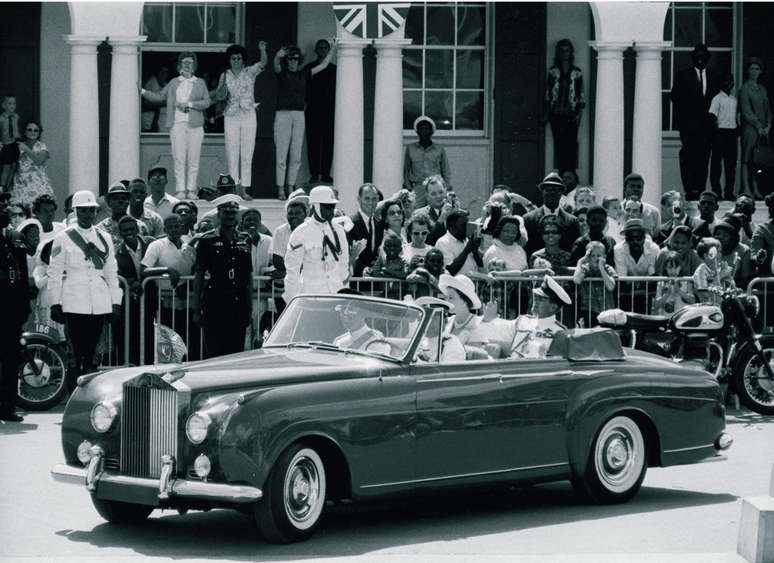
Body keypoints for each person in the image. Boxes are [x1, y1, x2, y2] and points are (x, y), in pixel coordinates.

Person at [48, 190, 122, 392]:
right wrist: (55, 302)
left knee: (93, 354)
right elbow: (54, 273)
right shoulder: (63, 238)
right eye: (83, 210)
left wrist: (116, 302)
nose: (88, 215)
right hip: (73, 301)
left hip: (98, 302)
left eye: (91, 210)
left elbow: (111, 272)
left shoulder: (104, 237)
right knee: (74, 354)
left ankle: (90, 394)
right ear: (75, 212)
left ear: (96, 212)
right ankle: (73, 394)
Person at [141, 52, 212, 199]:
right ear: (180, 65)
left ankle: (191, 190)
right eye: (184, 62)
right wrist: (143, 91)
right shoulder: (174, 82)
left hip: (195, 124)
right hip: (177, 124)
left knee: (193, 158)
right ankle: (180, 190)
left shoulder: (199, 83)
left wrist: (190, 104)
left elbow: (207, 102)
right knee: (179, 157)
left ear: (194, 65)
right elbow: (160, 96)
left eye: (190, 63)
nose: (187, 65)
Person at [273, 42, 336, 200]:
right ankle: (280, 189)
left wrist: (333, 48)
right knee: (282, 154)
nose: (293, 61)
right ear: (286, 61)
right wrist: (277, 56)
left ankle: (291, 187)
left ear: (299, 60)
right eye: (290, 59)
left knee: (296, 155)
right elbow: (275, 65)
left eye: (296, 59)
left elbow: (324, 65)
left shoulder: (305, 74)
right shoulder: (282, 73)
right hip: (283, 114)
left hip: (299, 114)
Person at [192, 200, 253, 358]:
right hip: (215, 304)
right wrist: (196, 309)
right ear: (218, 214)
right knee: (213, 353)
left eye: (233, 213)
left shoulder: (244, 239)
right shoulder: (207, 240)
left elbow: (248, 277)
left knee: (235, 355)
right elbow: (199, 275)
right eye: (226, 213)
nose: (230, 216)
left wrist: (249, 308)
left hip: (238, 304)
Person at [214, 41, 268, 196]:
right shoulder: (224, 75)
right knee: (232, 151)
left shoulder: (250, 72)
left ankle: (244, 189)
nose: (236, 61)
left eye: (238, 58)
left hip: (248, 113)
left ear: (243, 59)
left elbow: (263, 64)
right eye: (233, 58)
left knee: (247, 152)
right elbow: (219, 95)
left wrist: (262, 50)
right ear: (229, 60)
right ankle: (233, 188)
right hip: (231, 115)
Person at [670, 43, 719, 201]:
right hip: (689, 126)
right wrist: (684, 117)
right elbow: (674, 97)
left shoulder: (714, 76)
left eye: (703, 57)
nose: (700, 60)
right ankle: (689, 189)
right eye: (697, 56)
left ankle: (700, 189)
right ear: (693, 58)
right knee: (688, 156)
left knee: (704, 157)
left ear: (707, 59)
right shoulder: (683, 75)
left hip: (707, 126)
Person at [284, 185, 349, 301]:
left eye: (333, 206)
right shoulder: (300, 233)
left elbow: (344, 265)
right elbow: (292, 272)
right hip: (312, 298)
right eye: (327, 207)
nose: (331, 211)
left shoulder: (339, 230)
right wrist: (291, 301)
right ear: (315, 206)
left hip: (336, 296)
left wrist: (345, 294)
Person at [0, 192, 31, 421]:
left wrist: (23, 306)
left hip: (9, 310)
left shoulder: (14, 237)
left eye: (4, 205)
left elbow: (22, 275)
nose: (3, 209)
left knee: (10, 358)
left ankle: (7, 406)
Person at [114, 216, 153, 365]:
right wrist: (130, 282)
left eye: (132, 229)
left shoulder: (150, 244)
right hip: (131, 304)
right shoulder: (118, 253)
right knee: (132, 338)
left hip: (151, 300)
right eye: (125, 230)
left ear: (137, 229)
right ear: (120, 233)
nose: (129, 232)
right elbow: (118, 275)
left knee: (150, 338)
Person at [544, 39, 585, 173]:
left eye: (567, 50)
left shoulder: (577, 72)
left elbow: (581, 96)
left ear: (571, 52)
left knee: (571, 145)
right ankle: (561, 174)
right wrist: (548, 112)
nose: (564, 54)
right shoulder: (553, 71)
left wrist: (578, 116)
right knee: (559, 145)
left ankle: (570, 174)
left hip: (571, 114)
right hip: (556, 113)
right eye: (562, 51)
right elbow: (548, 94)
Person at [510, 275, 572, 359]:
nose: (535, 301)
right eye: (536, 296)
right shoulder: (522, 320)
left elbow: (555, 362)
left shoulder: (560, 331)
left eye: (541, 299)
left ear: (553, 307)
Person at [269, 189, 309, 314]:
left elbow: (312, 260)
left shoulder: (312, 229)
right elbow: (277, 260)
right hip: (285, 289)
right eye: (290, 213)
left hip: (307, 288)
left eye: (298, 213)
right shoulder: (280, 231)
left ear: (305, 214)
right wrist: (299, 270)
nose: (294, 216)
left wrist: (286, 272)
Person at [523, 172, 581, 255]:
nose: (552, 193)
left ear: (562, 193)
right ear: (542, 192)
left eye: (556, 190)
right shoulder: (529, 219)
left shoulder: (572, 221)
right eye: (548, 190)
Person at [738, 57, 772, 198]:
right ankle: (746, 188)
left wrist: (768, 125)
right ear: (747, 70)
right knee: (747, 158)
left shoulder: (762, 89)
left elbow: (768, 110)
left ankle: (756, 188)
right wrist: (758, 125)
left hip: (763, 130)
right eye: (751, 68)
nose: (754, 71)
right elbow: (746, 111)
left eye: (757, 69)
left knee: (757, 160)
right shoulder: (745, 89)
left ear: (761, 71)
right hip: (750, 129)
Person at [240, 207, 274, 349]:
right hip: (241, 294)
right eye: (248, 220)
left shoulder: (269, 241)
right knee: (245, 330)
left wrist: (270, 272)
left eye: (255, 219)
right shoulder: (237, 240)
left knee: (259, 331)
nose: (252, 222)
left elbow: (274, 262)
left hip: (261, 294)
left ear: (260, 223)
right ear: (242, 223)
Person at [304, 39, 337, 184]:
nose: (323, 50)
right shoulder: (309, 68)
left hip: (330, 110)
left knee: (329, 143)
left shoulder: (334, 69)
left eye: (326, 48)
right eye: (320, 47)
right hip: (313, 109)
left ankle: (325, 173)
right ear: (316, 50)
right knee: (313, 143)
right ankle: (314, 173)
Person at [403, 116, 451, 208]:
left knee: (435, 212)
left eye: (427, 128)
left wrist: (445, 188)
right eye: (421, 128)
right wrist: (409, 188)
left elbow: (445, 170)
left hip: (434, 186)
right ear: (417, 131)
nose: (424, 131)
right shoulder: (410, 148)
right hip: (418, 188)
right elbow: (406, 170)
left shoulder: (439, 149)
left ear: (432, 131)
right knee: (417, 213)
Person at [10, 120, 55, 208]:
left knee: (37, 209)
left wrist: (26, 149)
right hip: (21, 183)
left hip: (37, 183)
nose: (32, 132)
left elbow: (39, 161)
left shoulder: (42, 146)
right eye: (30, 130)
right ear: (25, 132)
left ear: (39, 133)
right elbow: (12, 165)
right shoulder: (19, 146)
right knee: (21, 210)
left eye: (36, 130)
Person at [708, 73, 739, 201]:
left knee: (731, 165)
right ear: (721, 83)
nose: (729, 83)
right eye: (726, 80)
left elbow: (735, 117)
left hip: (731, 133)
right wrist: (715, 134)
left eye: (731, 81)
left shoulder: (734, 99)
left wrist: (737, 129)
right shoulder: (717, 99)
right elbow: (712, 116)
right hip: (720, 133)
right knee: (716, 164)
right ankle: (716, 191)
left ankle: (729, 192)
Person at [573, 240, 617, 327]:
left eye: (599, 256)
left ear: (604, 256)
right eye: (592, 256)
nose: (596, 258)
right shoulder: (585, 268)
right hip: (589, 311)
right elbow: (577, 280)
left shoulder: (608, 268)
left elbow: (611, 286)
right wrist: (580, 262)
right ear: (588, 257)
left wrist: (601, 268)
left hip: (607, 310)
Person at [436, 209, 482, 276]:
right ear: (451, 227)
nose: (466, 227)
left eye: (467, 224)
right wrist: (466, 251)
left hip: (473, 283)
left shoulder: (466, 240)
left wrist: (475, 252)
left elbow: (480, 266)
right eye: (463, 225)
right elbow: (450, 271)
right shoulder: (443, 242)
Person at [713, 214, 753, 289]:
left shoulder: (744, 251)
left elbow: (745, 280)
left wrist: (728, 287)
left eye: (725, 235)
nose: (720, 238)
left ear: (733, 237)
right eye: (718, 234)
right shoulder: (709, 248)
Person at [652, 250, 696, 315]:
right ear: (665, 268)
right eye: (670, 267)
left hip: (681, 317)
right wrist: (667, 293)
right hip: (666, 317)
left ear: (680, 267)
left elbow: (692, 301)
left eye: (676, 267)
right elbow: (656, 305)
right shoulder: (661, 283)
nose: (673, 271)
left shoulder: (686, 281)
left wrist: (679, 291)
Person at [693, 237, 735, 304]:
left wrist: (731, 286)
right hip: (708, 309)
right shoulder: (701, 271)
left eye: (720, 251)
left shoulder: (720, 267)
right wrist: (721, 275)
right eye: (716, 252)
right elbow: (704, 294)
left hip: (723, 307)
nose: (720, 255)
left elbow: (730, 288)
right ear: (706, 255)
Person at [416, 175, 454, 245]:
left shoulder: (452, 210)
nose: (438, 196)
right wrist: (441, 219)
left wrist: (457, 215)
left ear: (445, 191)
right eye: (433, 194)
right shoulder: (420, 214)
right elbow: (425, 241)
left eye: (441, 192)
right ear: (427, 196)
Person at [623, 173, 660, 238]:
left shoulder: (653, 212)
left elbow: (656, 236)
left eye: (639, 187)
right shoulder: (616, 210)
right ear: (625, 189)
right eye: (632, 186)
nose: (636, 189)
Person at [141, 65, 170, 133]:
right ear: (157, 72)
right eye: (162, 72)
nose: (164, 75)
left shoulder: (165, 84)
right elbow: (145, 104)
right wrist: (163, 103)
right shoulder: (150, 83)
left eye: (166, 73)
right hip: (148, 123)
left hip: (161, 123)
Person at [0, 95, 21, 190]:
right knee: (6, 167)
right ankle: (2, 187)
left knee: (14, 166)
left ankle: (9, 187)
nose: (12, 105)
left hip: (14, 144)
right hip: (6, 145)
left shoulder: (16, 116)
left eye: (14, 103)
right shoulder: (1, 118)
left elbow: (16, 129)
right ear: (3, 105)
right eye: (9, 103)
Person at [751, 193, 774, 275]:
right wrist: (759, 258)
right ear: (771, 209)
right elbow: (754, 255)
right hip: (769, 280)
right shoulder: (762, 229)